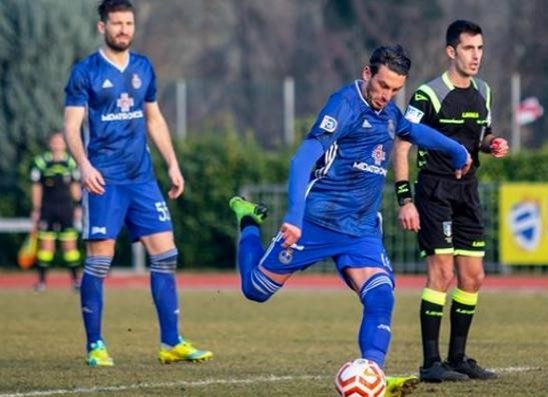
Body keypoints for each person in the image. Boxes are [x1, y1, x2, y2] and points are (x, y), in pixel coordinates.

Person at [229, 44, 471, 397]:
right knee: (255, 290)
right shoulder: (343, 105)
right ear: (366, 73)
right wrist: (294, 216)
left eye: (395, 89)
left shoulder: (389, 113)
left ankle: (372, 374)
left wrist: (457, 149)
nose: (387, 96)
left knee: (381, 296)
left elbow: (413, 132)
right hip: (314, 221)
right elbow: (302, 159)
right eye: (383, 86)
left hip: (360, 229)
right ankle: (248, 218)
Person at [63, 0, 212, 367]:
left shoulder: (144, 67)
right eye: (117, 24)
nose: (124, 30)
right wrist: (83, 165)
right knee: (99, 263)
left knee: (166, 255)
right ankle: (95, 345)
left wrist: (173, 165)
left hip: (142, 179)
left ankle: (171, 342)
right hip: (105, 180)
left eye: (129, 23)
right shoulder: (86, 71)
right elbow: (70, 126)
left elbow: (154, 119)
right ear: (102, 27)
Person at [392, 19, 509, 383]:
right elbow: (402, 144)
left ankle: (458, 359)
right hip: (434, 191)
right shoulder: (427, 95)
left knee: (473, 277)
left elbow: (480, 136)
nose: (476, 56)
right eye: (469, 48)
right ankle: (431, 364)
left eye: (480, 49)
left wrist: (492, 144)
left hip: (467, 192)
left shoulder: (484, 92)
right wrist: (405, 200)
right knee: (441, 274)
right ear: (451, 51)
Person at [29, 132, 83, 292]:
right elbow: (36, 187)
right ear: (50, 144)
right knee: (46, 247)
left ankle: (75, 281)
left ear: (65, 143)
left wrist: (78, 205)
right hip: (47, 208)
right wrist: (36, 209)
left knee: (70, 246)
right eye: (55, 141)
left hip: (66, 208)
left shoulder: (71, 162)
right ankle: (41, 282)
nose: (58, 144)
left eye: (60, 141)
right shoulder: (41, 162)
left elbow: (75, 186)